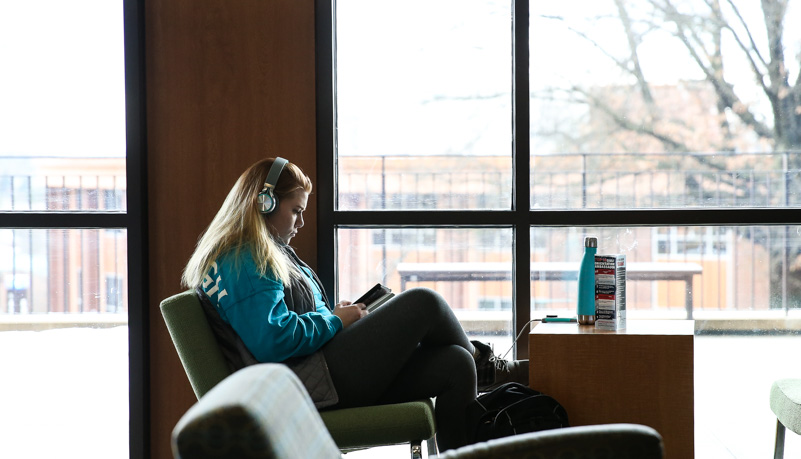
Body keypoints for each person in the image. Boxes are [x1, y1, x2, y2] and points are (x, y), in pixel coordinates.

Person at [181, 157, 528, 451]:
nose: (301, 222)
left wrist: (334, 315)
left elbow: (279, 320)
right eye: (295, 211)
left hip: (314, 373)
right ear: (264, 203)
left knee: (455, 364)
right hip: (306, 384)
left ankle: (478, 373)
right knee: (424, 302)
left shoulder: (255, 254)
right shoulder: (246, 258)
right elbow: (272, 341)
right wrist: (336, 321)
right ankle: (492, 371)